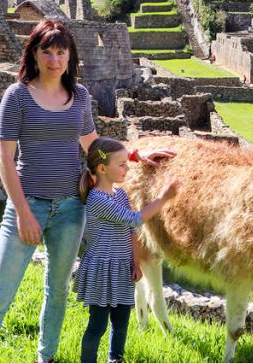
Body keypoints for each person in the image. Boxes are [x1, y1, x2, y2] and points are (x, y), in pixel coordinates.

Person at [0, 19, 173, 363]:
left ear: (69, 55)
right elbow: (4, 157)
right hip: (26, 205)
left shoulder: (79, 97)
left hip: (70, 210)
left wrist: (136, 155)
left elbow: (94, 147)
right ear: (34, 53)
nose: (54, 59)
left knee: (57, 291)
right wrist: (24, 214)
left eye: (61, 52)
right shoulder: (16, 96)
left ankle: (45, 358)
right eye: (47, 51)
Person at [75, 137, 179, 363]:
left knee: (121, 320)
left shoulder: (120, 194)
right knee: (98, 324)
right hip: (102, 269)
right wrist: (163, 199)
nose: (128, 168)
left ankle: (116, 359)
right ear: (102, 169)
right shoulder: (97, 199)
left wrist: (135, 262)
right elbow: (133, 218)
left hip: (121, 267)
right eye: (121, 164)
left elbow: (130, 229)